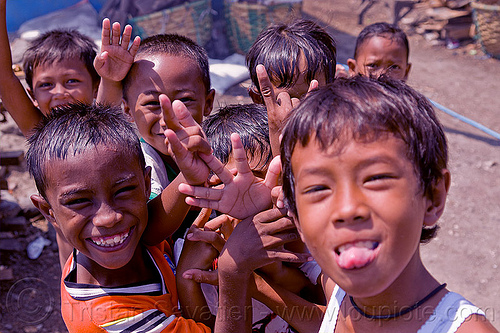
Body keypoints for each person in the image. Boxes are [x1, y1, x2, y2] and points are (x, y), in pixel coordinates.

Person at [278, 76, 496, 332]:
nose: (347, 209)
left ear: (433, 196)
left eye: (376, 178)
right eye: (317, 188)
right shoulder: (338, 295)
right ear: (297, 220)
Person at [26, 102, 213, 332]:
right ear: (48, 212)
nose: (108, 218)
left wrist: (188, 175)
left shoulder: (99, 243)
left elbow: (153, 226)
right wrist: (232, 272)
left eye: (123, 191)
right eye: (78, 201)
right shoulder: (116, 320)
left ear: (146, 184)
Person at [0, 0, 100, 136]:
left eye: (71, 81)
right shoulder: (39, 132)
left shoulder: (104, 127)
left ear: (96, 87)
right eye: (46, 84)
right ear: (33, 95)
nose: (59, 93)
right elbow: (4, 78)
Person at [245, 18, 337, 156]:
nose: (301, 110)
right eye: (290, 99)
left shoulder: (342, 138)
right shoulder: (250, 153)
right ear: (258, 99)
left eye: (313, 97)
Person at [344, 22, 412, 81]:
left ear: (406, 72)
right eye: (372, 65)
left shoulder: (411, 96)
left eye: (394, 67)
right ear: (353, 68)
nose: (382, 76)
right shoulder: (341, 95)